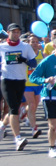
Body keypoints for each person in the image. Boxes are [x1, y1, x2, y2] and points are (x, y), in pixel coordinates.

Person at [0, 23, 37, 151]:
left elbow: (33, 63)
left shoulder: (25, 47)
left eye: (17, 32)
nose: (16, 34)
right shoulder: (2, 47)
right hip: (6, 80)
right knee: (14, 108)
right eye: (13, 32)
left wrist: (24, 59)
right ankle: (18, 139)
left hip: (21, 80)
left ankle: (2, 126)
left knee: (14, 108)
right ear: (8, 33)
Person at [23, 33, 45, 139]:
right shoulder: (25, 54)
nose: (35, 44)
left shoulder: (41, 54)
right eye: (33, 42)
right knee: (32, 105)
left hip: (39, 84)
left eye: (37, 42)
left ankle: (25, 113)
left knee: (34, 106)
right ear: (28, 43)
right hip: (27, 84)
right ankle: (34, 129)